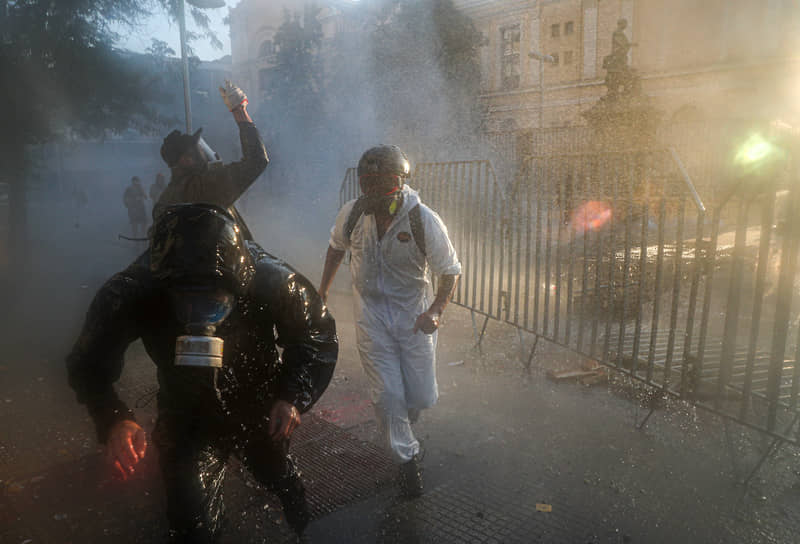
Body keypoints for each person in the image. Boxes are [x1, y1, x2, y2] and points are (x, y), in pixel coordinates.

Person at [66, 204, 338, 541]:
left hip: (260, 399)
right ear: (165, 285)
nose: (200, 312)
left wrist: (291, 396)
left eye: (213, 298)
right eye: (188, 299)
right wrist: (113, 418)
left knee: (274, 470)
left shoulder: (272, 281)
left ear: (239, 282)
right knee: (190, 518)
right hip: (185, 411)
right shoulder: (132, 291)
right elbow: (88, 363)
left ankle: (295, 507)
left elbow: (317, 337)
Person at [318, 145, 461, 498]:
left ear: (399, 183)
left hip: (415, 317)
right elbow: (336, 247)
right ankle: (406, 461)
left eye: (384, 182)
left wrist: (436, 311)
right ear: (362, 184)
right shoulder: (352, 214)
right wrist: (321, 292)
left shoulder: (422, 219)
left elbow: (450, 270)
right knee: (387, 394)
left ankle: (408, 415)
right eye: (368, 182)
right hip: (371, 317)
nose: (375, 191)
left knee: (422, 395)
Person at [153, 81, 268, 227]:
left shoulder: (167, 197)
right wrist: (240, 111)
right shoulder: (203, 186)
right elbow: (257, 160)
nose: (204, 152)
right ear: (186, 160)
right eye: (198, 149)